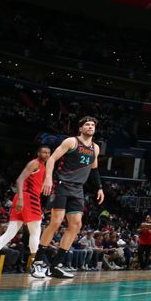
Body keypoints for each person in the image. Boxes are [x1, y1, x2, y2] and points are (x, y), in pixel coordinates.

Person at [36, 116, 105, 278]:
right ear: (80, 128)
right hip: (62, 185)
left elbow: (94, 170)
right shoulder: (71, 142)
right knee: (56, 222)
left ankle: (55, 265)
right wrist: (47, 178)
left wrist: (99, 188)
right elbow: (52, 158)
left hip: (78, 189)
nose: (90, 126)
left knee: (76, 225)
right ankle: (38, 262)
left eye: (92, 125)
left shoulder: (95, 148)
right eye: (87, 124)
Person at [0, 146, 51, 278]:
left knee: (9, 234)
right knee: (36, 232)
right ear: (38, 153)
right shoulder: (34, 163)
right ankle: (35, 266)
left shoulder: (43, 167)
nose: (46, 154)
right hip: (28, 198)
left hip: (26, 198)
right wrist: (21, 198)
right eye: (43, 152)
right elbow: (19, 180)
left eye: (48, 153)